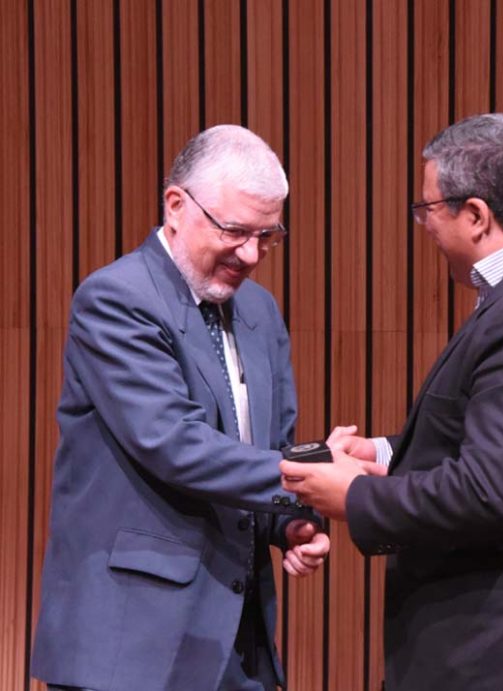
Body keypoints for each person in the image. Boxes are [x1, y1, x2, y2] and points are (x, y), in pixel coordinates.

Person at [280, 113, 503, 690]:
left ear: (475, 215)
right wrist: (383, 454)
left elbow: (490, 491)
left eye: (426, 210)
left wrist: (357, 495)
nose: (423, 226)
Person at [31, 125, 330, 691]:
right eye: (236, 231)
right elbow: (174, 444)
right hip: (131, 642)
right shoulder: (117, 298)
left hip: (238, 641)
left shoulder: (260, 311)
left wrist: (291, 521)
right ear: (175, 205)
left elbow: (262, 454)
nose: (251, 254)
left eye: (268, 236)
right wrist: (313, 474)